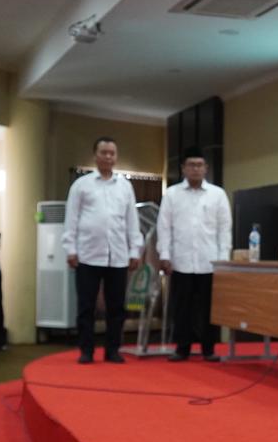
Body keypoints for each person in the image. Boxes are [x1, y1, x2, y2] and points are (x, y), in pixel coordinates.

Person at [62, 137, 142, 364]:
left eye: (112, 153)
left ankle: (112, 349)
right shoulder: (81, 185)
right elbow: (71, 219)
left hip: (118, 256)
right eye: (104, 152)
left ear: (116, 157)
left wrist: (134, 250)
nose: (108, 157)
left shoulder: (125, 186)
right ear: (95, 156)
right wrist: (70, 249)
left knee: (116, 307)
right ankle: (86, 350)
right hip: (87, 254)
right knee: (86, 306)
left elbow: (132, 221)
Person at [156, 147, 231, 362]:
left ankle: (209, 349)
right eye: (191, 165)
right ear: (183, 168)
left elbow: (224, 229)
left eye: (199, 165)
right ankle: (182, 348)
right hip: (181, 261)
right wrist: (164, 254)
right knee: (182, 307)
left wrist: (223, 260)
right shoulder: (172, 194)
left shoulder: (218, 194)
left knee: (208, 307)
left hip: (210, 261)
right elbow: (164, 227)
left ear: (206, 168)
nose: (195, 169)